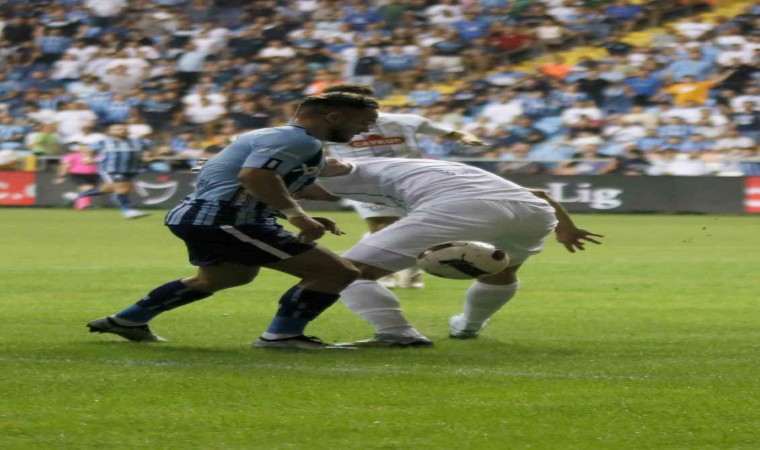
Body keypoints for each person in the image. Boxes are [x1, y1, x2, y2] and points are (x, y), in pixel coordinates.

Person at [86, 92, 380, 349]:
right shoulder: (298, 140)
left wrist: (292, 213)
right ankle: (282, 337)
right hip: (227, 220)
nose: (366, 129)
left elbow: (235, 182)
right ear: (334, 116)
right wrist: (298, 217)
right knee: (336, 272)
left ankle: (127, 320)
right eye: (364, 122)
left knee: (227, 276)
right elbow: (254, 176)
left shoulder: (273, 136)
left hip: (205, 216)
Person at [297, 157, 603, 347]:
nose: (300, 196)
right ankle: (467, 326)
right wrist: (566, 228)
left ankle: (396, 333)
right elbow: (538, 194)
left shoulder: (347, 171)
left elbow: (328, 163)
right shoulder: (418, 166)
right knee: (502, 270)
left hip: (465, 208)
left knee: (345, 271)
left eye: (300, 190)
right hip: (534, 212)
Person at [321, 83, 486, 289]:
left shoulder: (406, 121)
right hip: (366, 184)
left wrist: (467, 137)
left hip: (413, 182)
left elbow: (452, 133)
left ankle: (412, 273)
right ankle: (381, 272)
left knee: (418, 228)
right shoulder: (328, 130)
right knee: (382, 226)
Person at [75, 123, 152, 219]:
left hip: (131, 170)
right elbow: (89, 150)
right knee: (122, 188)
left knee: (110, 189)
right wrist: (88, 157)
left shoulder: (139, 141)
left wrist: (148, 155)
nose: (121, 131)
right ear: (110, 132)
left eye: (123, 129)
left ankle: (78, 195)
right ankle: (128, 211)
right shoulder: (103, 142)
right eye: (117, 129)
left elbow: (150, 151)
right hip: (111, 169)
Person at [55, 142, 99, 210]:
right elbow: (65, 166)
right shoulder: (72, 156)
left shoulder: (96, 156)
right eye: (83, 147)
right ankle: (83, 204)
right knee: (88, 189)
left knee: (90, 190)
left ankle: (78, 203)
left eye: (87, 147)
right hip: (78, 174)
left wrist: (92, 160)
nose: (86, 149)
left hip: (93, 175)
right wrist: (61, 176)